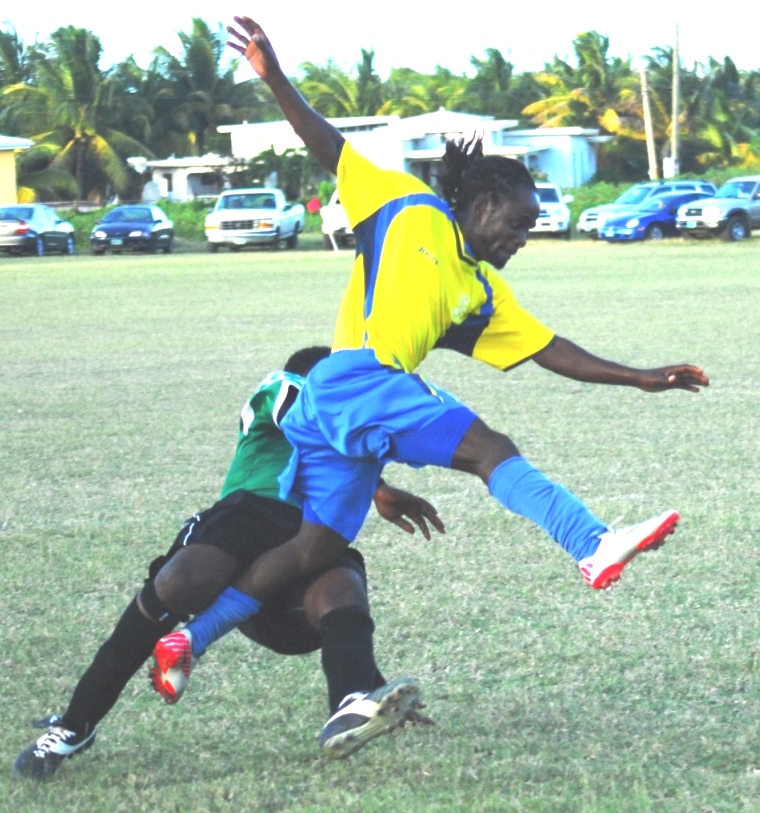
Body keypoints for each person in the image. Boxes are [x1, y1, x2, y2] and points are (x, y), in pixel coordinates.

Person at [150, 12, 710, 717]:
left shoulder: (478, 288)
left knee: (312, 546)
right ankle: (591, 543)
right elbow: (327, 144)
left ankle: (189, 641)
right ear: (482, 204)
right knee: (490, 449)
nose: (524, 238)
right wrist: (274, 76)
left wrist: (641, 375)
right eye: (519, 223)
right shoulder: (406, 206)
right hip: (357, 380)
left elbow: (549, 349)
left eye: (530, 230)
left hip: (337, 408)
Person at [12, 346, 439, 781]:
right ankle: (74, 726)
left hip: (306, 538)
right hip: (246, 517)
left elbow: (342, 453)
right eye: (336, 381)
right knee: (181, 581)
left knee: (341, 593)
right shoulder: (281, 388)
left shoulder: (343, 445)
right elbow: (315, 415)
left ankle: (353, 705)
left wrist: (376, 685)